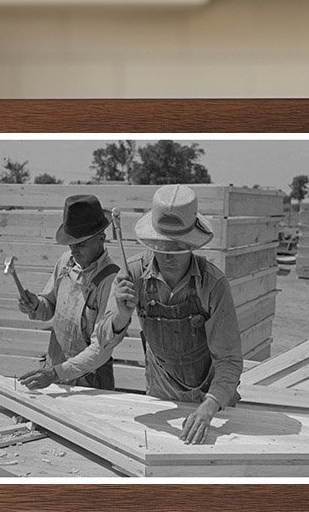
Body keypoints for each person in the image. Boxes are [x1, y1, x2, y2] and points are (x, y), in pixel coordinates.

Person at [95, 184, 243, 445]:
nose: (167, 255)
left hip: (211, 396)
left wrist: (209, 407)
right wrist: (121, 316)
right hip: (160, 394)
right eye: (160, 245)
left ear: (192, 243)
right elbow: (102, 341)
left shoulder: (212, 284)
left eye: (177, 247)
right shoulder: (133, 275)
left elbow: (229, 360)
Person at [17, 194, 120, 391]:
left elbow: (101, 349)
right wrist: (35, 305)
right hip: (54, 371)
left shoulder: (111, 280)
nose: (74, 250)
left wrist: (55, 373)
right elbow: (48, 307)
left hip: (91, 382)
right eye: (71, 243)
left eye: (81, 244)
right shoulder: (66, 262)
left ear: (101, 238)